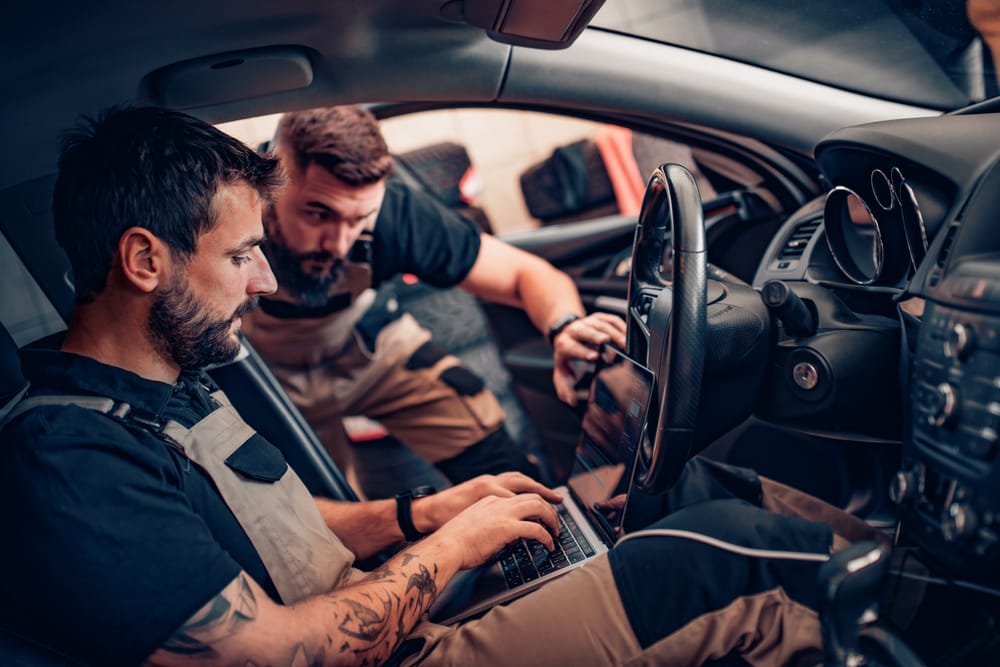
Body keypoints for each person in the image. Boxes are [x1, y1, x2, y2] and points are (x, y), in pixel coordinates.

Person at [0, 105, 883, 667]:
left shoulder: (169, 378)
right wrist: (455, 551)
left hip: (378, 594)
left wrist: (428, 513)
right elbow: (258, 654)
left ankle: (906, 578)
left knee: (684, 490)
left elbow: (288, 526)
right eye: (241, 255)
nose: (265, 277)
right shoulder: (67, 455)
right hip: (390, 650)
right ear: (145, 259)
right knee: (735, 568)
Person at [241, 105, 627, 493]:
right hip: (264, 367)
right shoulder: (227, 211)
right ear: (274, 175)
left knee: (504, 470)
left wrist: (565, 327)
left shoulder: (397, 214)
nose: (340, 244)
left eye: (358, 220)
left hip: (367, 344)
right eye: (318, 214)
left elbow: (528, 274)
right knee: (306, 506)